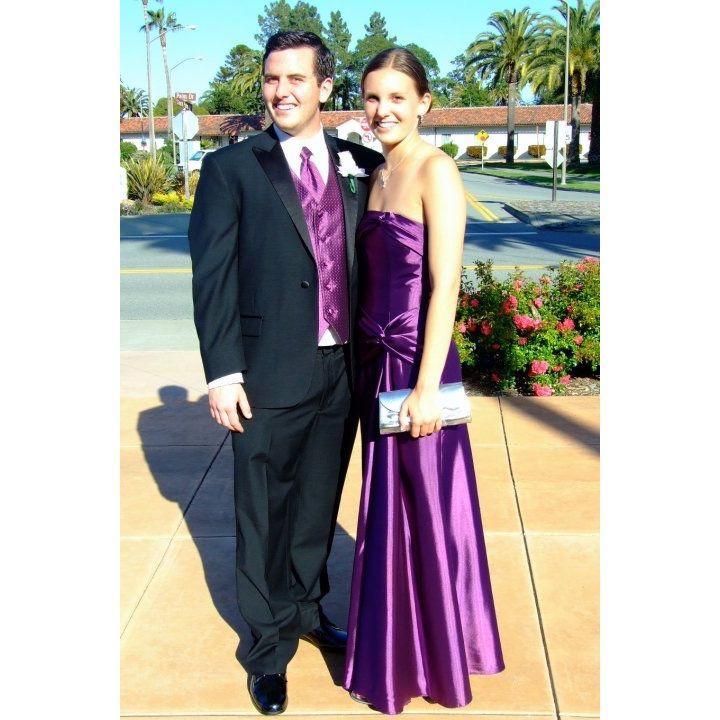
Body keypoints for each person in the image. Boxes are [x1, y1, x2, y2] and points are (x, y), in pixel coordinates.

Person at [188, 31, 383, 716]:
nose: (282, 91)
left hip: (342, 373)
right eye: (273, 79)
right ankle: (267, 651)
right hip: (267, 373)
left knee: (316, 506)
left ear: (325, 87)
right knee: (263, 513)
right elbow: (213, 277)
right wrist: (223, 373)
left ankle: (305, 610)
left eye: (297, 78)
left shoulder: (363, 163)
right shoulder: (232, 168)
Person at [343, 48, 505, 714]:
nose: (383, 110)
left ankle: (440, 658)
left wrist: (428, 388)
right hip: (374, 363)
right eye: (372, 97)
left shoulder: (436, 170)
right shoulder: (378, 171)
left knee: (430, 507)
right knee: (390, 508)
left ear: (424, 104)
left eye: (397, 98)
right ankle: (395, 645)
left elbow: (445, 286)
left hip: (417, 362)